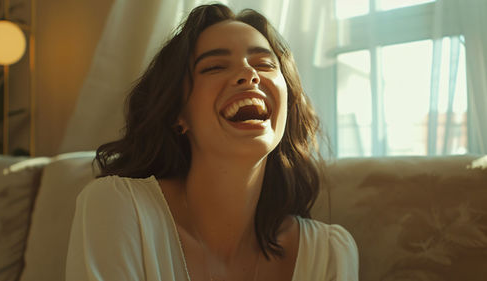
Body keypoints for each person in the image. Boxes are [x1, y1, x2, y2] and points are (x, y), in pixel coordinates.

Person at [66, 3, 358, 281]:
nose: (249, 75)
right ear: (178, 113)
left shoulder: (330, 253)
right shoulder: (117, 208)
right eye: (215, 67)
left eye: (265, 64)